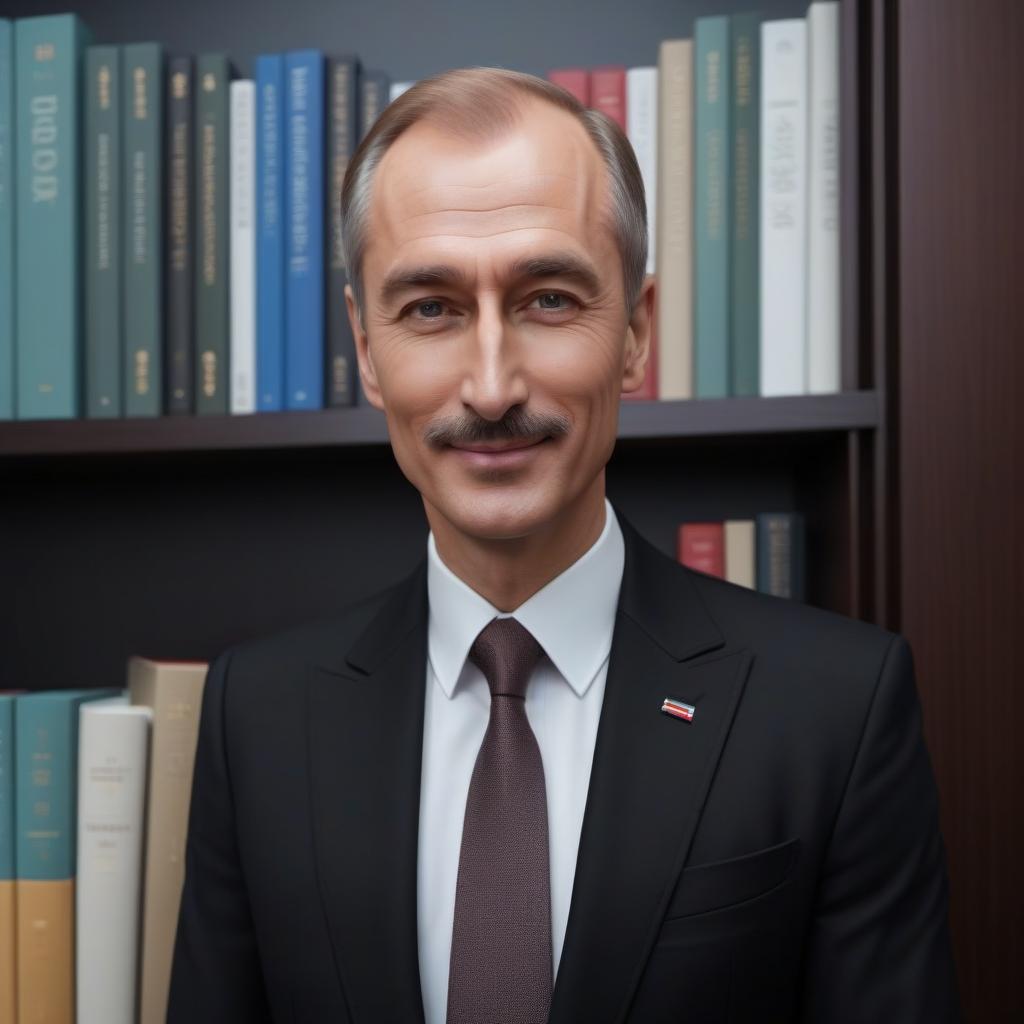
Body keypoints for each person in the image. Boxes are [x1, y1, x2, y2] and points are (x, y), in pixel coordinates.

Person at [167, 68, 961, 1023]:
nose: (493, 386)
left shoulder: (838, 711)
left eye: (547, 299)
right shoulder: (255, 717)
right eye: (431, 308)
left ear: (634, 332)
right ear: (368, 350)